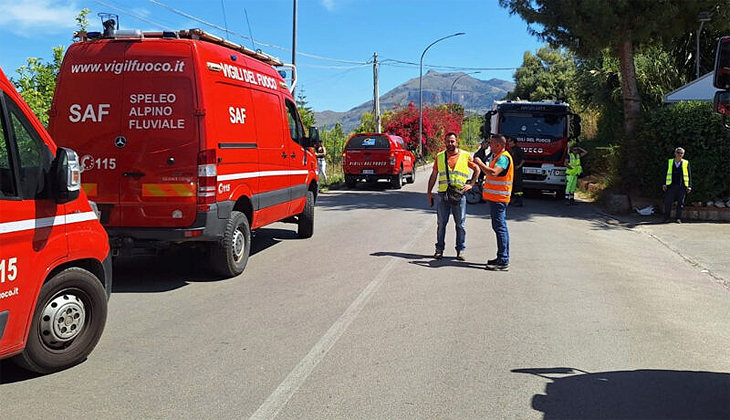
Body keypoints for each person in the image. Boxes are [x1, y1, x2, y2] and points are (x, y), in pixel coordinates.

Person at [427, 132, 480, 261]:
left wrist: (471, 184)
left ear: (457, 142)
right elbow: (434, 175)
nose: (450, 144)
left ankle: (460, 250)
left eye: (452, 141)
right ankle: (439, 250)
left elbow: (477, 169)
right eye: (448, 141)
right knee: (441, 224)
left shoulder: (465, 155)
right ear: (444, 142)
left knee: (460, 225)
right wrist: (429, 192)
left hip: (459, 194)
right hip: (443, 195)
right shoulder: (440, 157)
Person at [473, 134, 513, 271]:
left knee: (500, 228)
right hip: (497, 199)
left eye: (491, 143)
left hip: (499, 199)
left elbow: (493, 173)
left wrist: (480, 163)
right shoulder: (498, 156)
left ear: (499, 145)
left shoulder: (503, 158)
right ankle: (502, 257)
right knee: (500, 228)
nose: (489, 145)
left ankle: (503, 259)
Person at [663, 147, 692, 223]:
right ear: (675, 153)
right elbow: (665, 173)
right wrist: (664, 184)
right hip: (671, 185)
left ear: (683, 154)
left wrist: (689, 186)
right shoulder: (670, 162)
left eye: (681, 153)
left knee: (680, 203)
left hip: (682, 186)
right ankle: (666, 218)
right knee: (668, 202)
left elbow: (689, 175)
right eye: (678, 153)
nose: (679, 154)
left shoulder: (686, 163)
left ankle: (678, 218)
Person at [507, 136, 525, 207]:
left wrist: (519, 166)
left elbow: (523, 159)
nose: (508, 143)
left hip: (517, 171)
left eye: (510, 141)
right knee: (513, 185)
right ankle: (514, 200)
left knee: (518, 186)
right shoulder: (511, 150)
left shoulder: (518, 150)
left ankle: (519, 201)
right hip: (512, 170)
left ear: (513, 142)